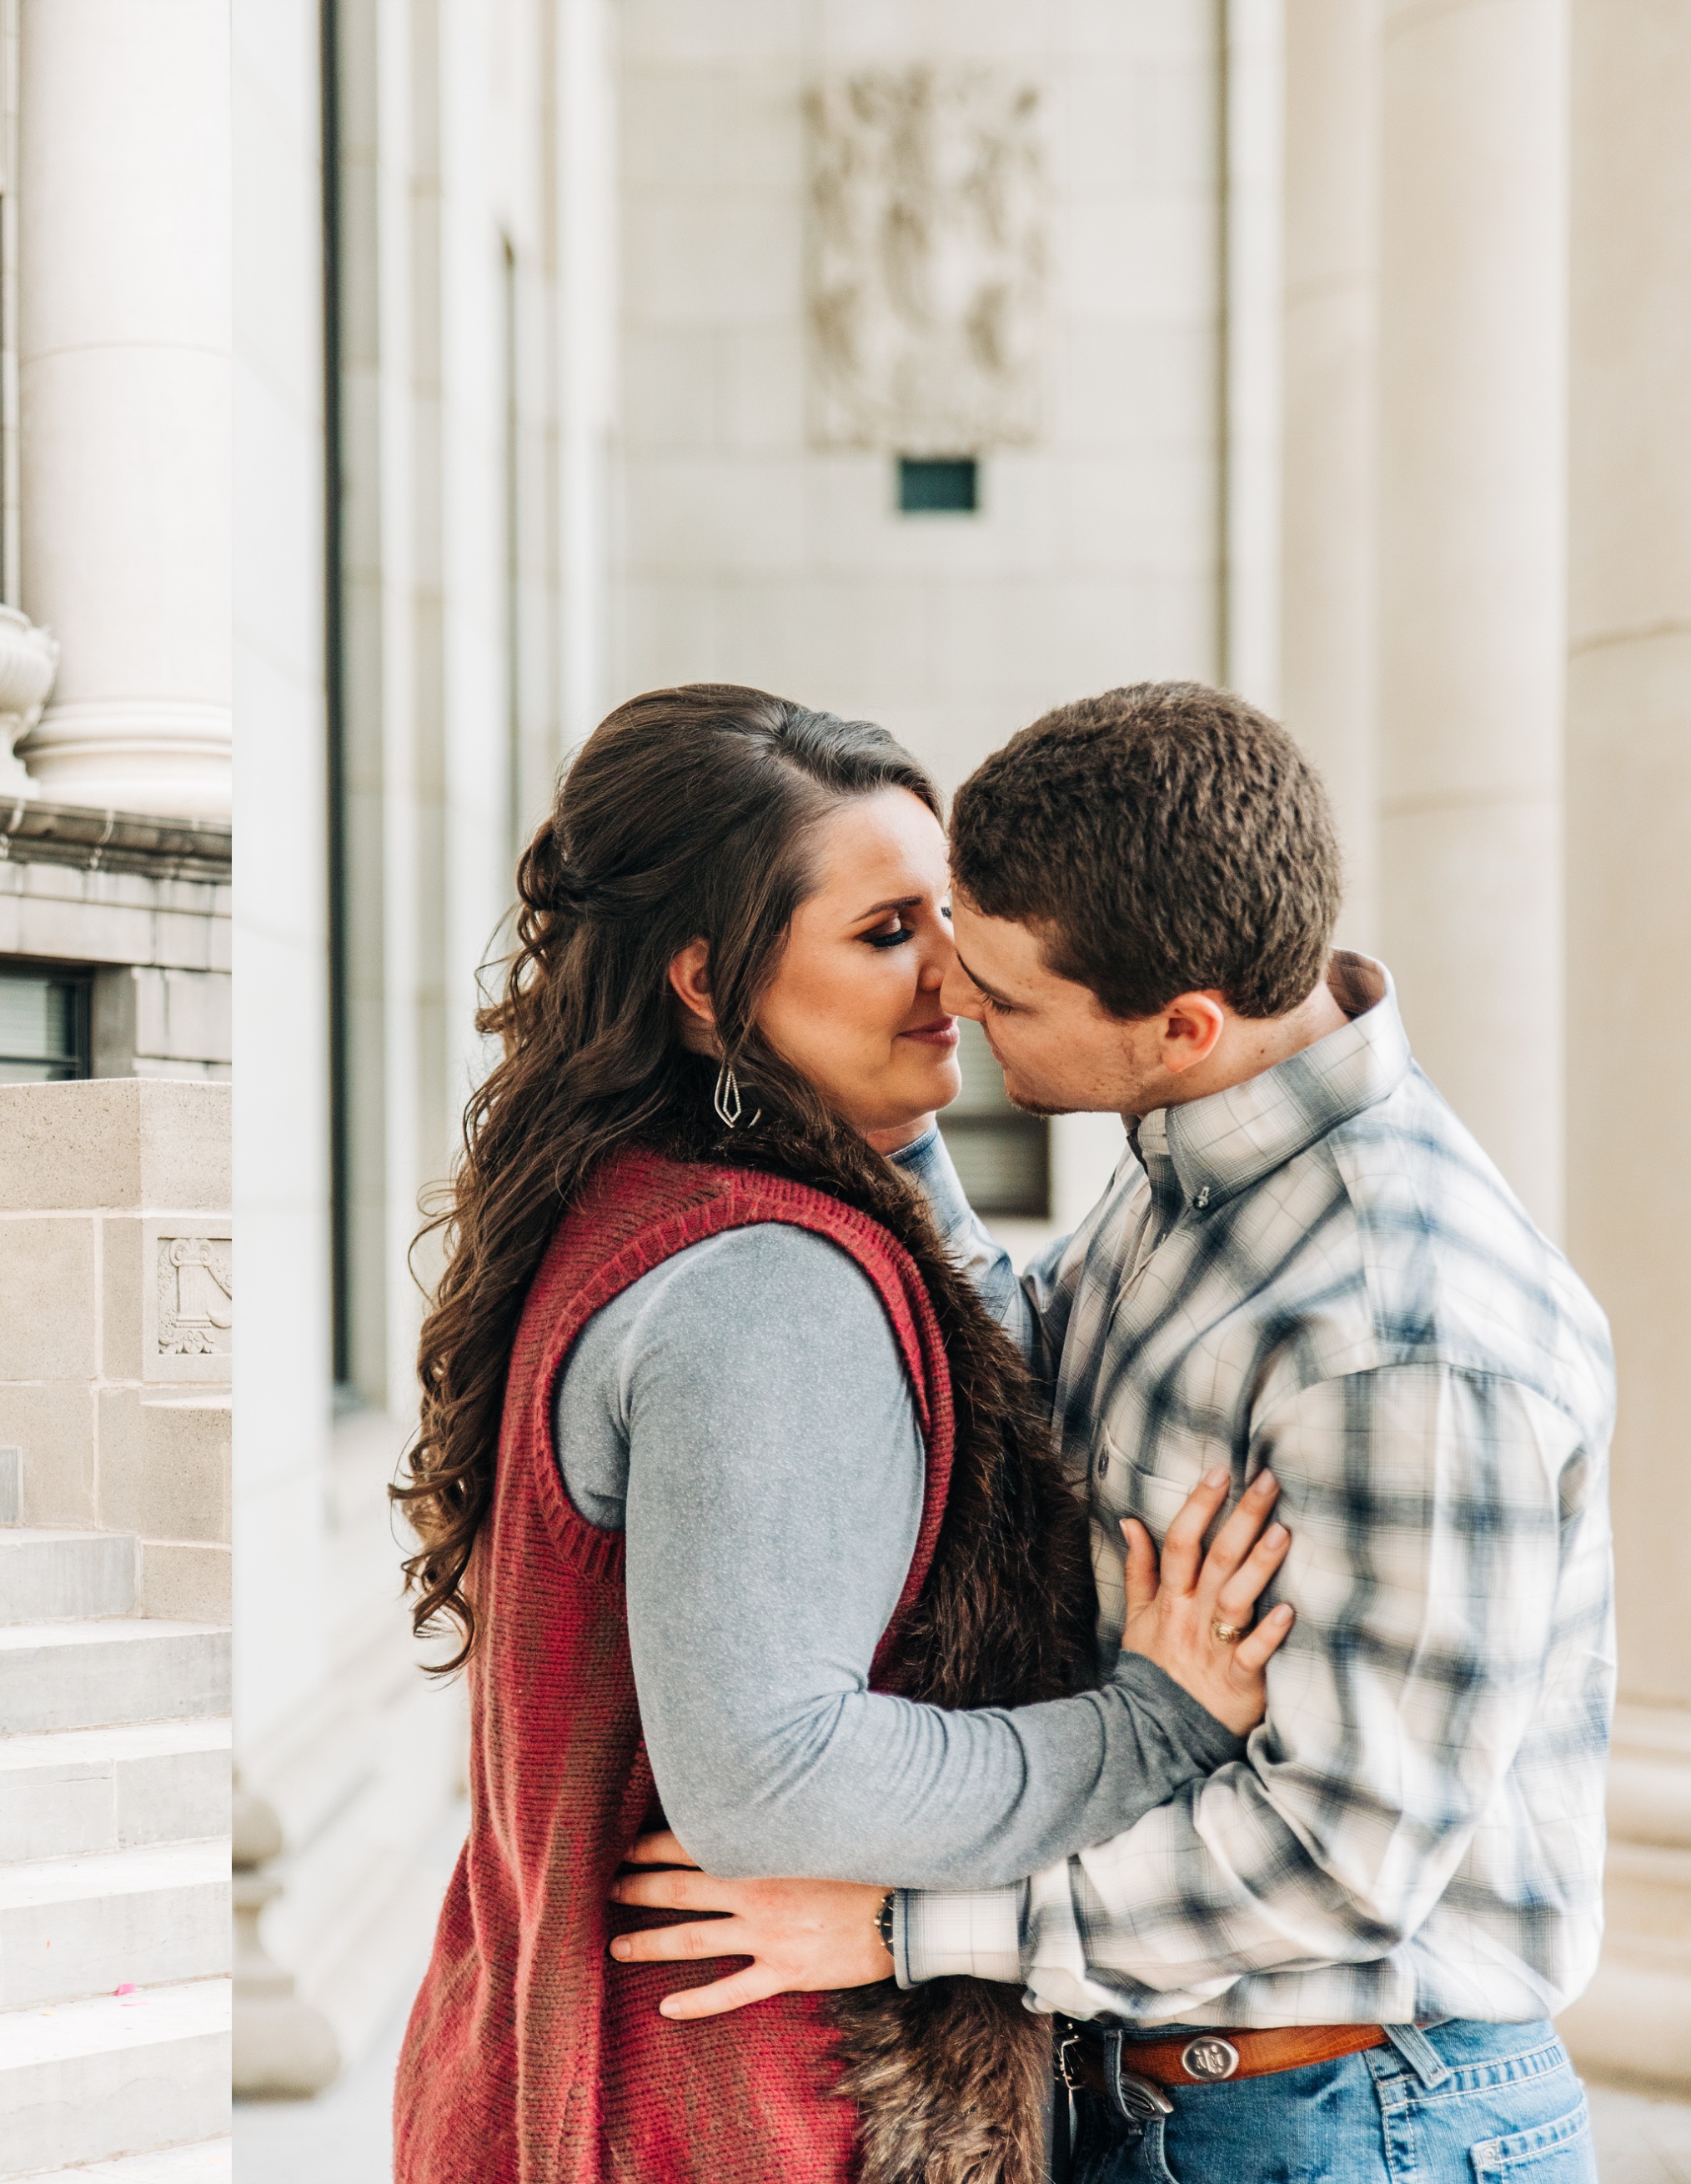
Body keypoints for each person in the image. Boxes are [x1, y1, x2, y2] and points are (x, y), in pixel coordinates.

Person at [610, 684, 1618, 2184]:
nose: (950, 997)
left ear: (1182, 1025)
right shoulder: (1192, 1165)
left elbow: (1337, 1867)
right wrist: (874, 1112)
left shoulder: (1405, 1343)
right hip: (1181, 2105)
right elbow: (1028, 1367)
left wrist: (898, 1925)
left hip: (1357, 2128)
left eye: (1001, 999)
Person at [388, 686, 1293, 2184]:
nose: (958, 972)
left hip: (600, 2068)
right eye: (885, 937)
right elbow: (768, 1780)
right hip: (746, 2109)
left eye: (946, 916)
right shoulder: (772, 1287)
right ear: (708, 981)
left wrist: (891, 1103)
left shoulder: (659, 1195)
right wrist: (1155, 1725)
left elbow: (979, 1331)